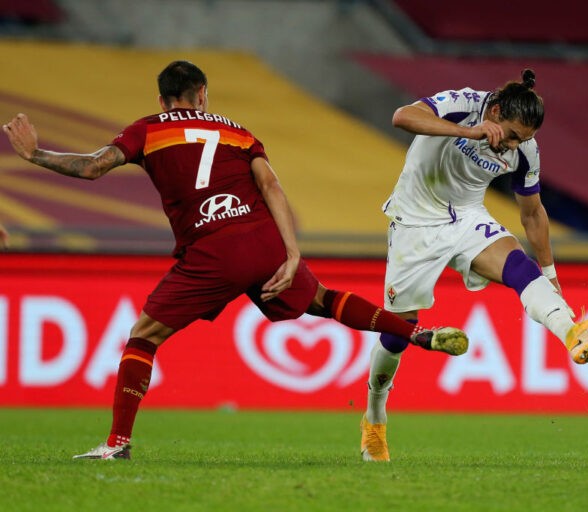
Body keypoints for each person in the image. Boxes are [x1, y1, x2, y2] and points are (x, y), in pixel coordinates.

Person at [2, 60, 469, 461]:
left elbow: (93, 167)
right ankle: (417, 332)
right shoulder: (237, 132)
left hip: (211, 248)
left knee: (142, 338)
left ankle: (117, 443)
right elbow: (271, 187)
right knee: (323, 300)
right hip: (263, 239)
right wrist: (292, 252)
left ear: (163, 99)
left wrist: (35, 153)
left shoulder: (148, 129)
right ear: (202, 94)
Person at [360, 69, 588, 462]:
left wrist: (550, 278)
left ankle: (572, 333)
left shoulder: (526, 151)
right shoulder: (462, 104)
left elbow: (532, 214)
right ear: (495, 110)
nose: (514, 146)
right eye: (513, 135)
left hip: (466, 218)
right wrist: (470, 132)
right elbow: (401, 116)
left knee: (519, 266)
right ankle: (374, 420)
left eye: (525, 139)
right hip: (414, 220)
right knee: (398, 333)